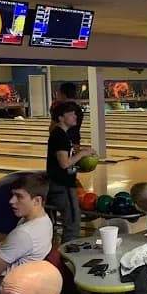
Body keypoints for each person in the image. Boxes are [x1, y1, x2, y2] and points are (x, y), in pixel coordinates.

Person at [46, 101, 96, 243]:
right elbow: (64, 163)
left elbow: (66, 163)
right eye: (71, 113)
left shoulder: (62, 134)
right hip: (62, 187)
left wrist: (80, 164)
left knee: (72, 222)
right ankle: (67, 259)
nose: (75, 116)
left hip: (62, 184)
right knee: (72, 224)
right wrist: (83, 153)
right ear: (61, 117)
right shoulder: (60, 136)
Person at [50, 82, 84, 148]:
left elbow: (52, 129)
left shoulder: (58, 109)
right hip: (75, 142)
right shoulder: (78, 109)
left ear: (63, 94)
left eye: (59, 92)